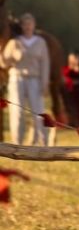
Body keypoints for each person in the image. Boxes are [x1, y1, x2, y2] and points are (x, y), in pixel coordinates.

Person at [0, 12, 50, 145]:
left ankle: (43, 143)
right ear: (21, 26)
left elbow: (45, 64)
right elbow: (3, 63)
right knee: (17, 112)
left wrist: (44, 83)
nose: (28, 27)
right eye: (25, 24)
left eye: (30, 24)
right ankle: (18, 143)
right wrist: (6, 55)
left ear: (34, 25)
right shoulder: (14, 42)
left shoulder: (40, 43)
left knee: (38, 112)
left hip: (34, 79)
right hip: (17, 79)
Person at [61, 49, 79, 129]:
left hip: (78, 92)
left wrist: (77, 67)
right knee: (69, 108)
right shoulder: (65, 68)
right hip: (68, 92)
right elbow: (66, 75)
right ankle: (69, 122)